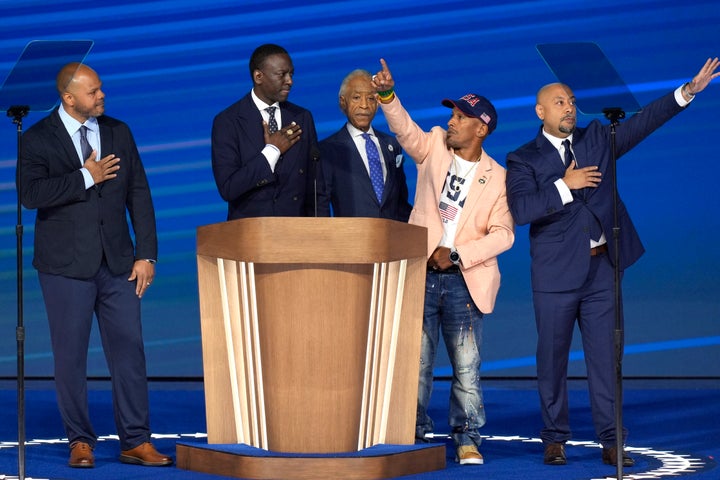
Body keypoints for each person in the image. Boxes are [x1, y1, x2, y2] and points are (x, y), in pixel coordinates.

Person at [505, 57, 719, 467]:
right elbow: (521, 209)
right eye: (558, 102)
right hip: (555, 275)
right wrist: (564, 186)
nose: (568, 106)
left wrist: (687, 91)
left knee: (606, 357)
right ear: (540, 112)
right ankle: (554, 437)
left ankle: (611, 438)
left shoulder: (599, 138)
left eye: (570, 100)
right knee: (552, 359)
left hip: (602, 268)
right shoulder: (523, 158)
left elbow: (645, 121)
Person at [19, 62, 172, 468]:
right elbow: (31, 194)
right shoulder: (37, 138)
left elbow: (139, 192)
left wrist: (146, 254)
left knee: (129, 352)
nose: (101, 96)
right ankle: (80, 440)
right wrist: (85, 177)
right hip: (65, 266)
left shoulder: (118, 131)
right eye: (93, 92)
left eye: (101, 89)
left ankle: (136, 441)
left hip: (119, 263)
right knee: (70, 356)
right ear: (68, 98)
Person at [372, 59, 515, 465]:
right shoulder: (434, 145)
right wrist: (388, 96)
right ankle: (414, 433)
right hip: (422, 275)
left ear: (481, 128)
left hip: (463, 281)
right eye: (451, 115)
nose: (450, 122)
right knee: (416, 362)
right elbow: (405, 131)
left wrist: (456, 254)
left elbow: (504, 234)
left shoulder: (499, 177)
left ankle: (467, 437)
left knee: (466, 368)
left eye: (460, 118)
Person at [212, 43, 327, 219]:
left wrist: (322, 233)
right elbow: (228, 188)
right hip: (251, 236)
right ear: (259, 76)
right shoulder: (228, 122)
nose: (290, 81)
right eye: (282, 75)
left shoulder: (302, 117)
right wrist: (271, 152)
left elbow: (315, 187)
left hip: (297, 234)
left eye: (291, 74)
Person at [319, 69, 412, 221]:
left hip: (391, 239)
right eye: (356, 97)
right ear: (343, 102)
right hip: (351, 241)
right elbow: (321, 207)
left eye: (371, 98)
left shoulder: (392, 145)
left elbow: (400, 204)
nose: (364, 105)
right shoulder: (327, 150)